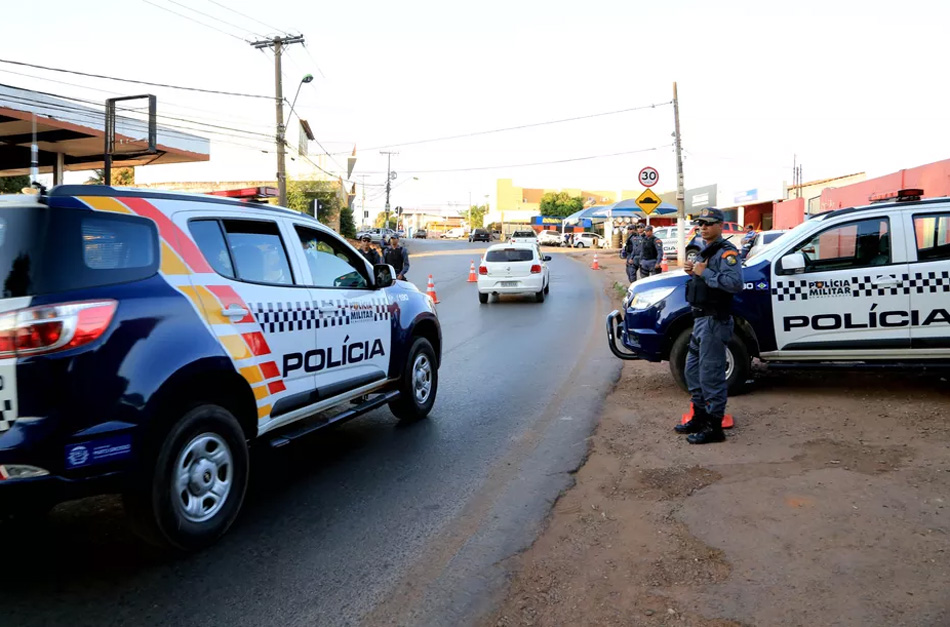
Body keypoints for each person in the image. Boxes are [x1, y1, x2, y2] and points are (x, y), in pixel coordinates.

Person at [675, 207, 744, 444]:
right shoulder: (706, 250)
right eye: (700, 223)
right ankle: (699, 416)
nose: (703, 227)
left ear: (720, 226)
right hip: (700, 321)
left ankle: (715, 427)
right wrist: (693, 272)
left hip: (714, 321)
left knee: (711, 375)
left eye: (708, 223)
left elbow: (735, 284)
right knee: (692, 371)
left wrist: (704, 273)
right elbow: (704, 282)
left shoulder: (727, 253)